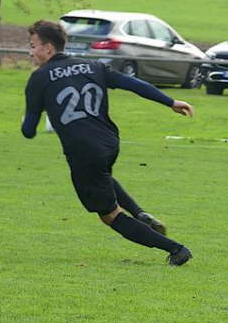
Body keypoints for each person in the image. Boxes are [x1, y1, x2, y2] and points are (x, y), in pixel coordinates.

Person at [21, 20, 193, 266]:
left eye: (33, 46)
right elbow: (133, 84)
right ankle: (140, 214)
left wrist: (33, 110)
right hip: (109, 142)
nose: (30, 52)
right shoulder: (93, 65)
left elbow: (28, 131)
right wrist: (170, 102)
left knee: (109, 215)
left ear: (48, 49)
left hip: (82, 150)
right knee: (101, 175)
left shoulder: (39, 78)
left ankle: (177, 249)